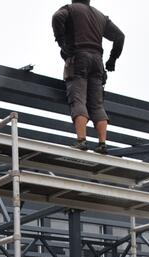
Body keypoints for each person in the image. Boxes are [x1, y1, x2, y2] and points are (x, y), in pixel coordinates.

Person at [52, 0, 125, 154]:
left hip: (78, 58)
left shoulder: (70, 9)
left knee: (78, 99)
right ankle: (102, 143)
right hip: (97, 61)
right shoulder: (100, 16)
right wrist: (112, 61)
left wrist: (62, 42)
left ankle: (81, 140)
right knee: (97, 104)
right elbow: (120, 36)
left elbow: (57, 17)